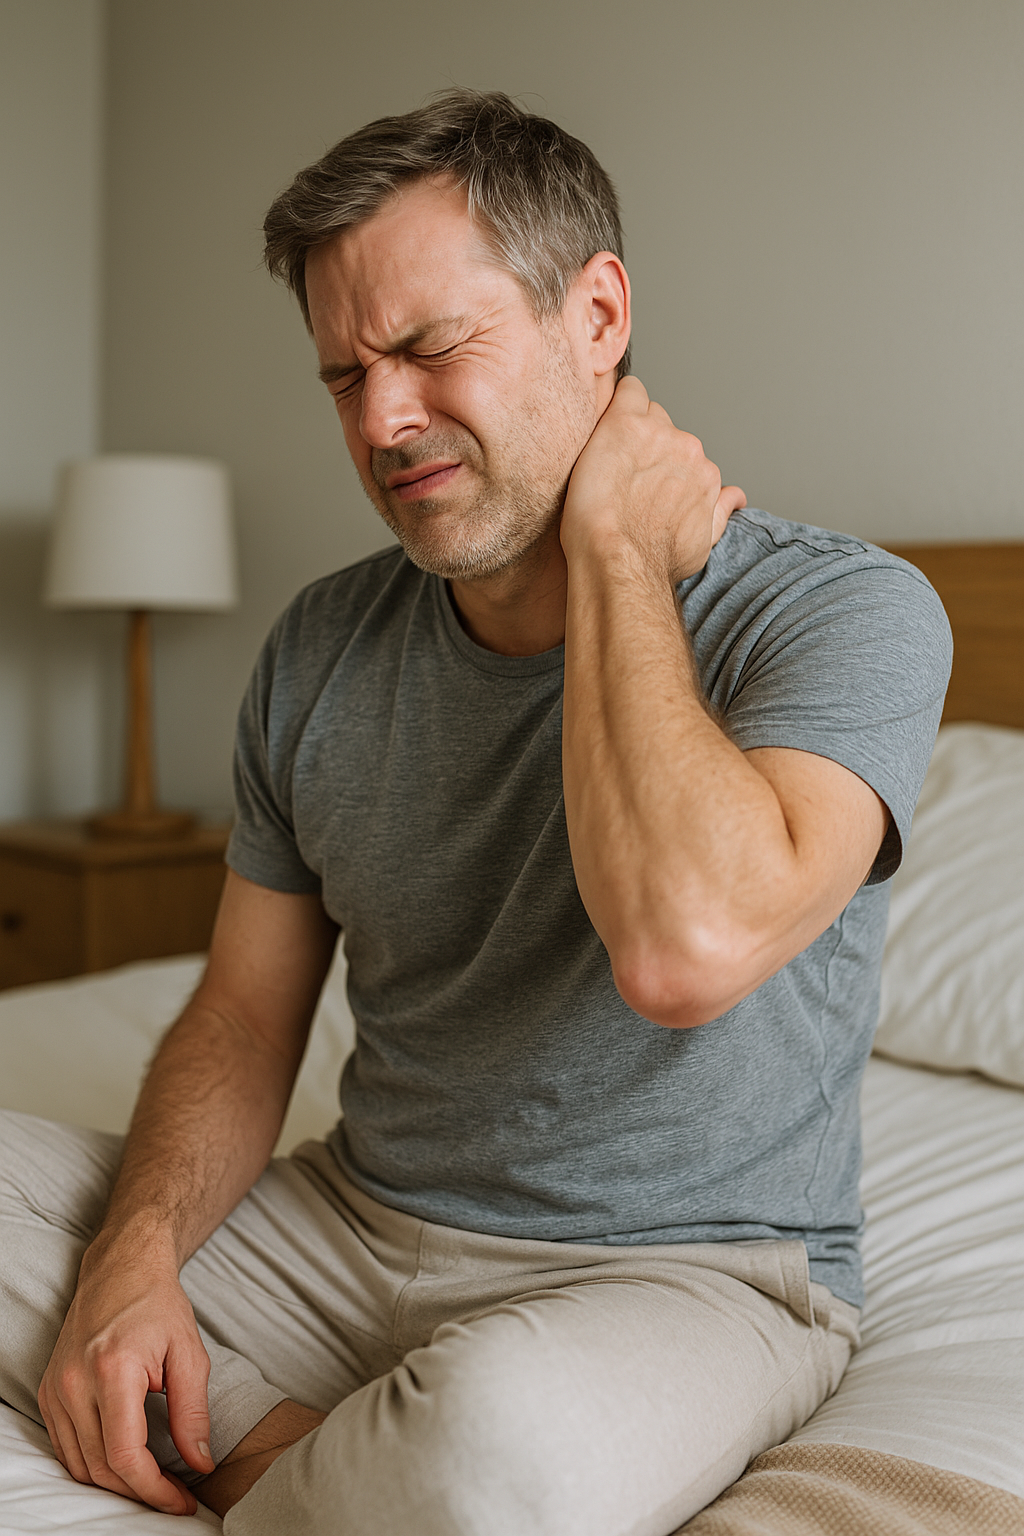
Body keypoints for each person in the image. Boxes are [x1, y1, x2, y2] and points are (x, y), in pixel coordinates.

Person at [0, 90, 950, 1535]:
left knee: (491, 1450)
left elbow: (681, 947)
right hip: (354, 1227)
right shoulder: (322, 646)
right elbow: (248, 1018)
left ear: (599, 316)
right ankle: (312, 1459)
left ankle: (262, 1454)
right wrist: (133, 1258)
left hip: (687, 1274)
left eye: (432, 349)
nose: (382, 421)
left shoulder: (843, 612)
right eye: (342, 376)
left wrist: (619, 547)